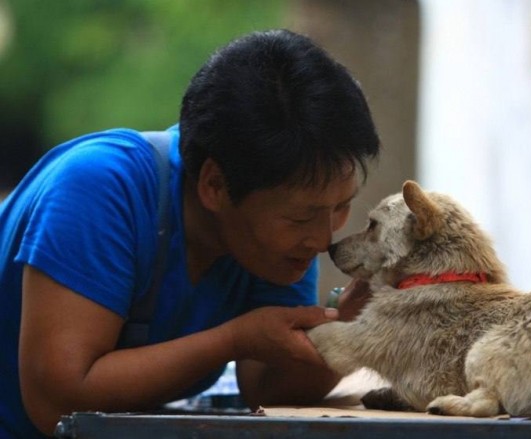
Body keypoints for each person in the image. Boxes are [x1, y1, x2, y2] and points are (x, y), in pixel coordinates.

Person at [0, 29, 380, 438]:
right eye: (301, 218)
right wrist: (232, 340)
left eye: (341, 206)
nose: (323, 239)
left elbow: (268, 388)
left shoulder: (275, 240)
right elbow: (56, 405)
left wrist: (353, 328)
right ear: (215, 185)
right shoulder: (100, 188)